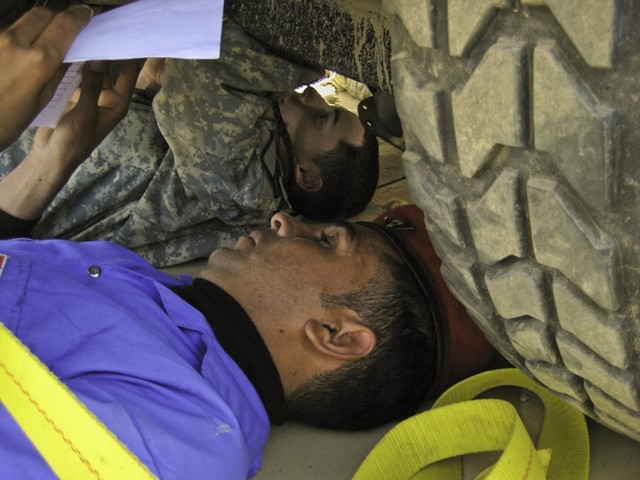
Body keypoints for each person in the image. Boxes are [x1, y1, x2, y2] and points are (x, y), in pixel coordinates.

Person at [0, 6, 499, 479]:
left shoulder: (172, 442)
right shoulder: (156, 295)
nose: (285, 221)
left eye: (326, 242)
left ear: (336, 334)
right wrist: (42, 174)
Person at [0, 16, 380, 267]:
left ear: (306, 175)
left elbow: (205, 69)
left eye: (322, 116)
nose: (313, 94)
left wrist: (323, 54)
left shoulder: (240, 181)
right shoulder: (244, 172)